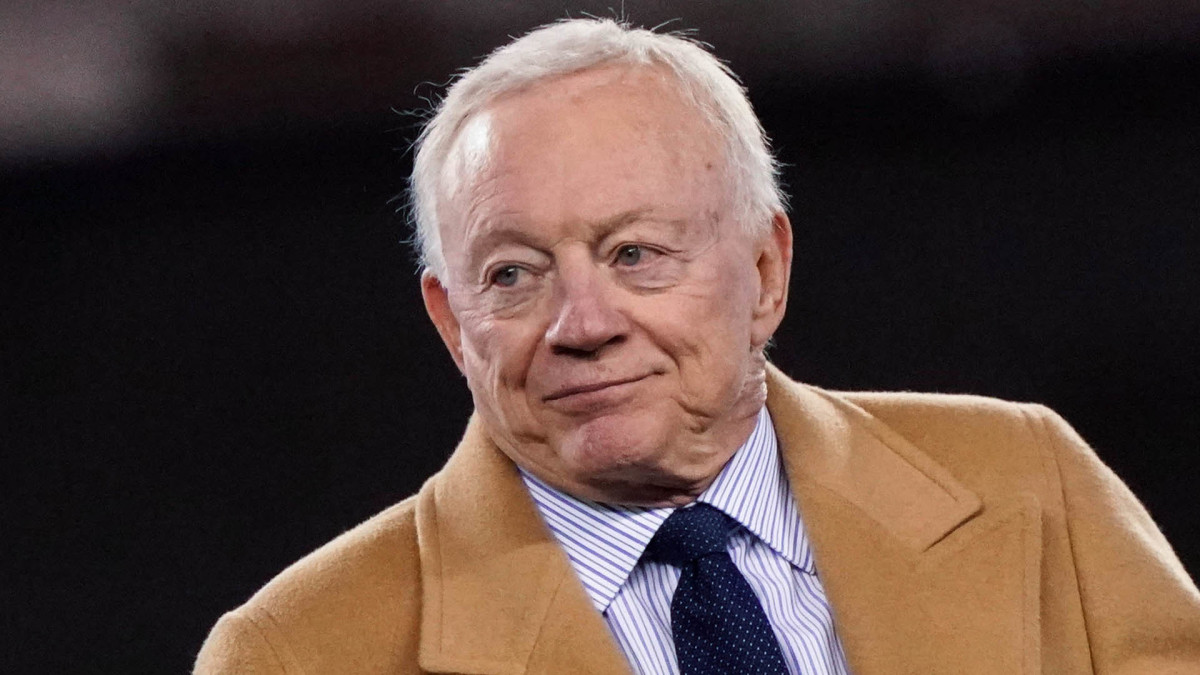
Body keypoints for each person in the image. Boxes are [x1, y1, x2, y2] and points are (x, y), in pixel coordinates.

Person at [195, 18, 1200, 674]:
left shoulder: (1028, 485)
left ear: (765, 271)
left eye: (634, 254)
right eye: (512, 275)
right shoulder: (299, 651)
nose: (583, 324)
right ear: (452, 324)